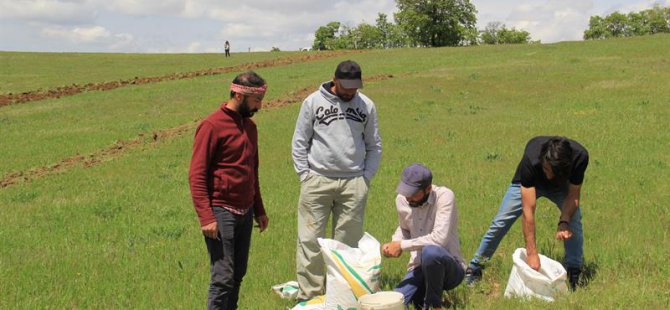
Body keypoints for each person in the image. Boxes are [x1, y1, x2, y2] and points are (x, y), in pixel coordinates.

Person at [291, 60, 382, 301]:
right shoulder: (312, 102)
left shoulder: (366, 105)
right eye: (346, 87)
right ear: (335, 79)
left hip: (354, 183)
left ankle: (341, 295)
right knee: (309, 241)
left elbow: (374, 145)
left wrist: (365, 178)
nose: (351, 92)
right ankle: (310, 296)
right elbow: (300, 141)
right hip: (317, 181)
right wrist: (305, 175)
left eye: (355, 87)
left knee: (347, 245)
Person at [189, 71, 270, 309]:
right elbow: (197, 174)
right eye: (256, 101)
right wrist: (206, 216)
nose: (260, 106)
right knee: (223, 277)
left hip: (245, 211)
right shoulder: (211, 126)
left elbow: (251, 172)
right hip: (220, 210)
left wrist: (259, 210)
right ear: (238, 94)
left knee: (237, 274)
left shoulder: (250, 128)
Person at [464, 136, 589, 290]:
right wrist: (531, 253)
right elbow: (528, 211)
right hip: (530, 183)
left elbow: (573, 195)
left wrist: (564, 221)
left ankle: (574, 271)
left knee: (574, 220)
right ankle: (475, 268)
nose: (549, 176)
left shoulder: (580, 157)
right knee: (501, 221)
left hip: (561, 187)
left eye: (554, 172)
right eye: (547, 170)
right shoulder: (532, 157)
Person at [383, 163, 465, 310]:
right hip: (419, 269)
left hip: (450, 269)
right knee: (395, 303)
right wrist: (394, 243)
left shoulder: (444, 196)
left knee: (431, 252)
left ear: (428, 189)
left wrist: (402, 245)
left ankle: (434, 305)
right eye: (406, 192)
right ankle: (426, 296)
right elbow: (404, 229)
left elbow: (439, 239)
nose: (409, 198)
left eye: (414, 194)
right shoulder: (402, 199)